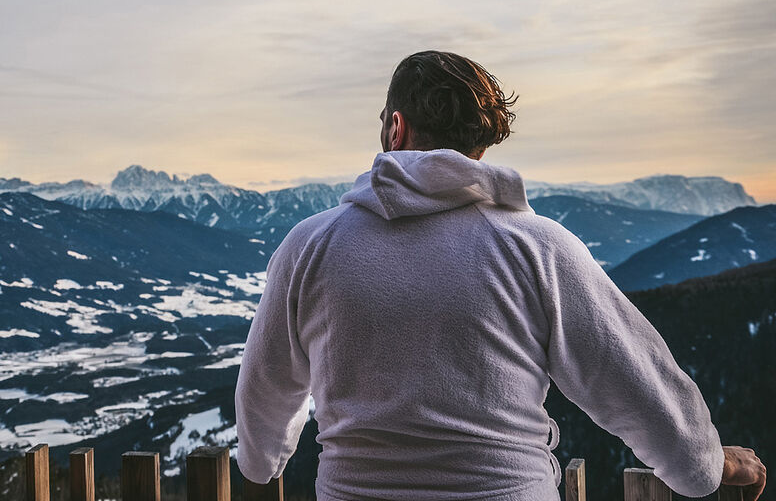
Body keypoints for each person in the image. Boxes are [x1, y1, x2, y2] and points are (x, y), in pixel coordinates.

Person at [233, 51, 766, 500]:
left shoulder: (311, 246)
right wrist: (704, 465)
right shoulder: (538, 247)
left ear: (395, 127)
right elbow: (633, 381)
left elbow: (264, 393)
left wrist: (264, 462)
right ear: (480, 142)